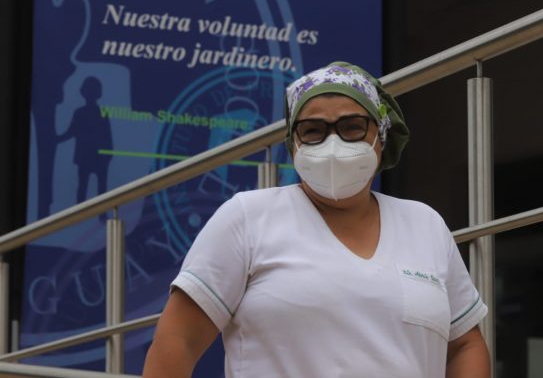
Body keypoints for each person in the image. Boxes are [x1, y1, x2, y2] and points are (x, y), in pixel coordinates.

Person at [142, 62, 490, 378]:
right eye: (313, 130)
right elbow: (178, 341)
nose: (333, 143)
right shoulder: (248, 218)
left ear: (381, 135)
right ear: (293, 144)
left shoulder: (424, 224)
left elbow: (464, 345)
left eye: (352, 127)